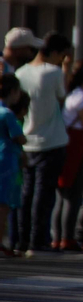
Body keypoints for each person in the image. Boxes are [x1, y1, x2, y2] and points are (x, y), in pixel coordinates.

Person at [17, 32, 71, 255]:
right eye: (62, 56)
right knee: (44, 193)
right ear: (56, 53)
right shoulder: (54, 72)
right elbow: (62, 97)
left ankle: (22, 239)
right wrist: (65, 71)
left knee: (27, 193)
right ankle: (39, 240)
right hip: (52, 139)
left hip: (27, 139)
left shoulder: (21, 73)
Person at [53, 58, 83, 251]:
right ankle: (68, 238)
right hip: (77, 150)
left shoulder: (69, 94)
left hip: (64, 146)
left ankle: (57, 238)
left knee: (62, 196)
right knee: (73, 196)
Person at [0, 75, 23, 256]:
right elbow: (18, 136)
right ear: (13, 92)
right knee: (3, 204)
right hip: (6, 160)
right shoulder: (8, 114)